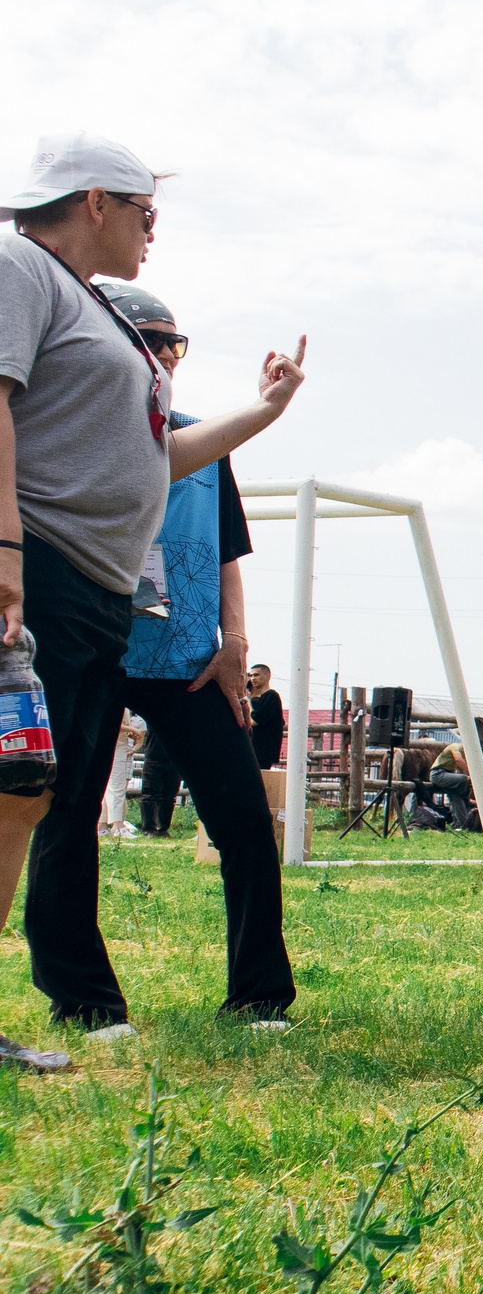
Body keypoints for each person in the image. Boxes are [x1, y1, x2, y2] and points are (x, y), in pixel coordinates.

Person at [1, 132, 308, 1037]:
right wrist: (7, 553)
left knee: (42, 793)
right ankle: (81, 995)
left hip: (103, 597)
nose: (153, 232)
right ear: (95, 201)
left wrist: (266, 410)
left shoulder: (93, 310)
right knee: (36, 794)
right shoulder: (22, 265)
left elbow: (161, 456)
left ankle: (118, 998)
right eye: (145, 212)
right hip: (48, 567)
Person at [94, 278, 298, 1018]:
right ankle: (84, 1001)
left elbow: (226, 551)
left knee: (243, 819)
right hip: (96, 650)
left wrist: (235, 641)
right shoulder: (80, 435)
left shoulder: (206, 441)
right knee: (66, 816)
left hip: (189, 661)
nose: (161, 356)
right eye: (146, 342)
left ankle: (260, 996)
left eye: (171, 343)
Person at [246, 664, 284, 768]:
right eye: (250, 675)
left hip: (262, 751)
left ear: (267, 676)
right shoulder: (258, 699)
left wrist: (247, 699)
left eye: (256, 675)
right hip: (252, 749)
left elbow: (255, 720)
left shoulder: (271, 696)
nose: (252, 679)